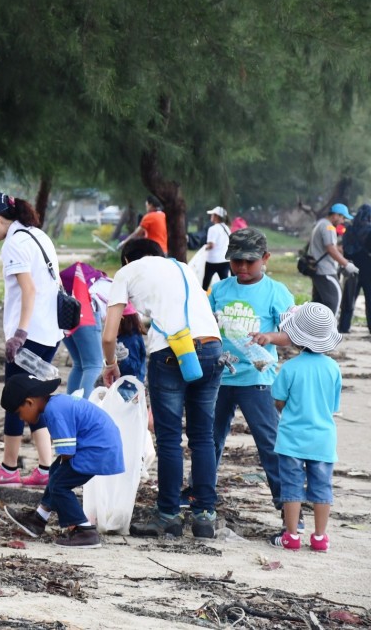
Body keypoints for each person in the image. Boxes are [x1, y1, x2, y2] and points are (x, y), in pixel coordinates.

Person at [101, 239, 223, 539]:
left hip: (170, 353)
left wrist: (110, 363)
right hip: (211, 348)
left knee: (169, 439)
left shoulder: (127, 272)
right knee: (203, 436)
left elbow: (108, 334)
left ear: (128, 259)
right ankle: (204, 515)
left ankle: (168, 515)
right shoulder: (182, 267)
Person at [0, 192, 64, 488]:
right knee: (34, 399)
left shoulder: (13, 243)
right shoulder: (39, 236)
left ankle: (9, 468)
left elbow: (29, 290)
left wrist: (19, 335)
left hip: (30, 336)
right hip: (51, 332)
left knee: (14, 400)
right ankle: (46, 468)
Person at [207, 228, 295, 524]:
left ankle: (287, 507)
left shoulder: (276, 292)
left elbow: (293, 335)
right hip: (219, 379)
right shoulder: (220, 290)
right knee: (209, 440)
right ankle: (203, 499)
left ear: (265, 258)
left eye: (250, 262)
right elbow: (207, 327)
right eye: (236, 261)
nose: (242, 268)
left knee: (270, 444)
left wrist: (270, 336)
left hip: (258, 381)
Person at [0, 373, 124, 549]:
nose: (22, 419)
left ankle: (85, 531)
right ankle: (39, 518)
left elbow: (67, 452)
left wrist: (61, 470)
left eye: (19, 414)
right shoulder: (56, 403)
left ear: (29, 402)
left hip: (97, 450)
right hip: (100, 447)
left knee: (59, 484)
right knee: (54, 472)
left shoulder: (53, 411)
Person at [256, 303, 341, 552]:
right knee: (322, 486)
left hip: (292, 438)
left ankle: (291, 536)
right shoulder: (333, 368)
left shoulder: (290, 368)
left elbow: (279, 401)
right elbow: (333, 405)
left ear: (297, 337)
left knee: (291, 486)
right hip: (323, 438)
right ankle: (320, 537)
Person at [59, 262, 107, 395]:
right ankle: (83, 411)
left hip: (63, 307)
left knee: (80, 364)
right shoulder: (124, 290)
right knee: (94, 365)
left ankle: (72, 409)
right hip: (84, 308)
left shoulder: (105, 283)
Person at [308, 203, 358, 316]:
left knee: (317, 304)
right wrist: (346, 264)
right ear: (335, 215)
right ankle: (329, 331)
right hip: (326, 271)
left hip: (318, 271)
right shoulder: (328, 226)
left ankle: (313, 330)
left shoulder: (320, 223)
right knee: (334, 301)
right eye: (342, 217)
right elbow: (330, 248)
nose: (343, 221)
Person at [337, 204, 371, 334]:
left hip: (352, 269)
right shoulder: (369, 231)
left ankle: (344, 327)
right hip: (368, 270)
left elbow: (345, 249)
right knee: (370, 299)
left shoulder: (349, 229)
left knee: (349, 298)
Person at [115, 304, 146, 383]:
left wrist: (122, 358)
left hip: (128, 386)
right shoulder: (126, 337)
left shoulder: (131, 340)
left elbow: (134, 367)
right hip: (126, 383)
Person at [202, 206, 231, 290]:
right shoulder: (227, 228)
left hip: (212, 261)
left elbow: (211, 245)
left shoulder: (213, 229)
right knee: (224, 283)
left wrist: (204, 248)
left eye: (212, 215)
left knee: (206, 283)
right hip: (224, 260)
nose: (211, 217)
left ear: (216, 216)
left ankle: (204, 299)